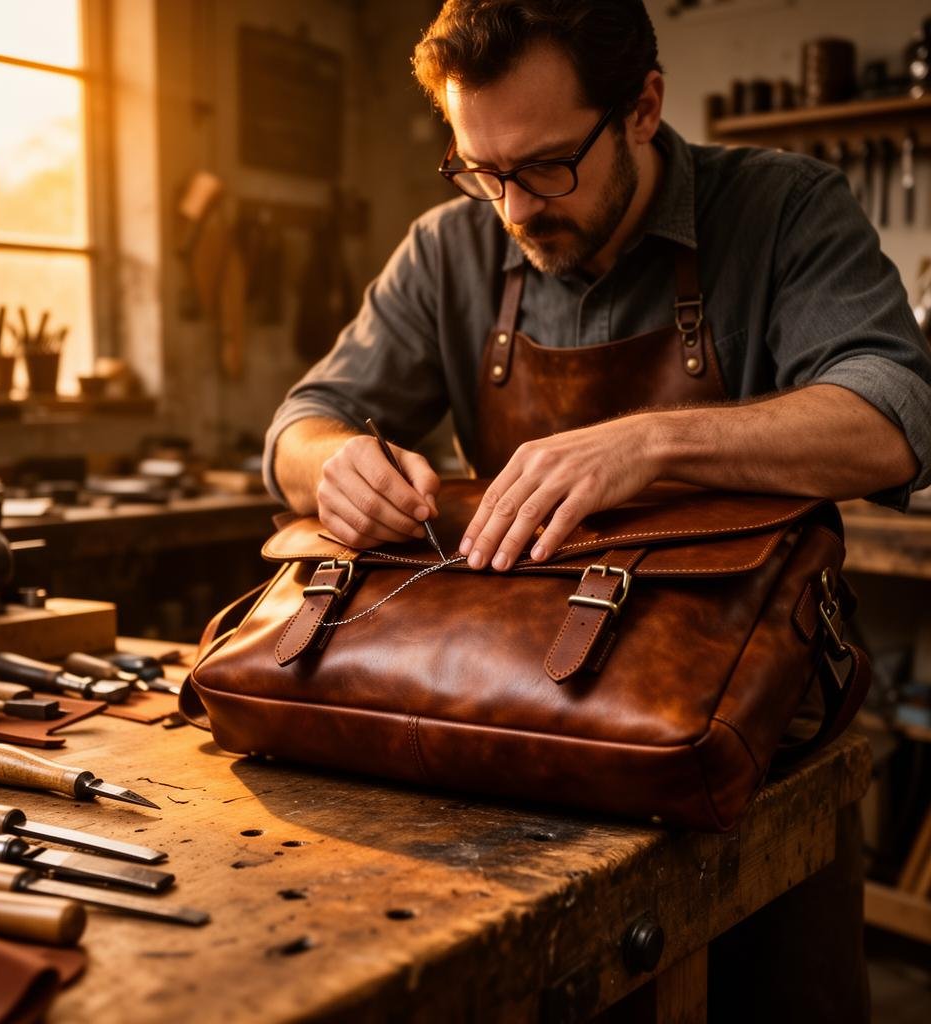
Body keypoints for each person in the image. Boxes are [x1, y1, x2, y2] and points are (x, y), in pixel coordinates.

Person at [264, 2, 931, 1019]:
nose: (515, 210)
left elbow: (897, 413)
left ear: (641, 109)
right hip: (538, 720)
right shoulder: (446, 250)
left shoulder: (785, 207)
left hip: (750, 733)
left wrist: (658, 441)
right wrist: (333, 463)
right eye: (480, 171)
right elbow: (300, 422)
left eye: (543, 168)